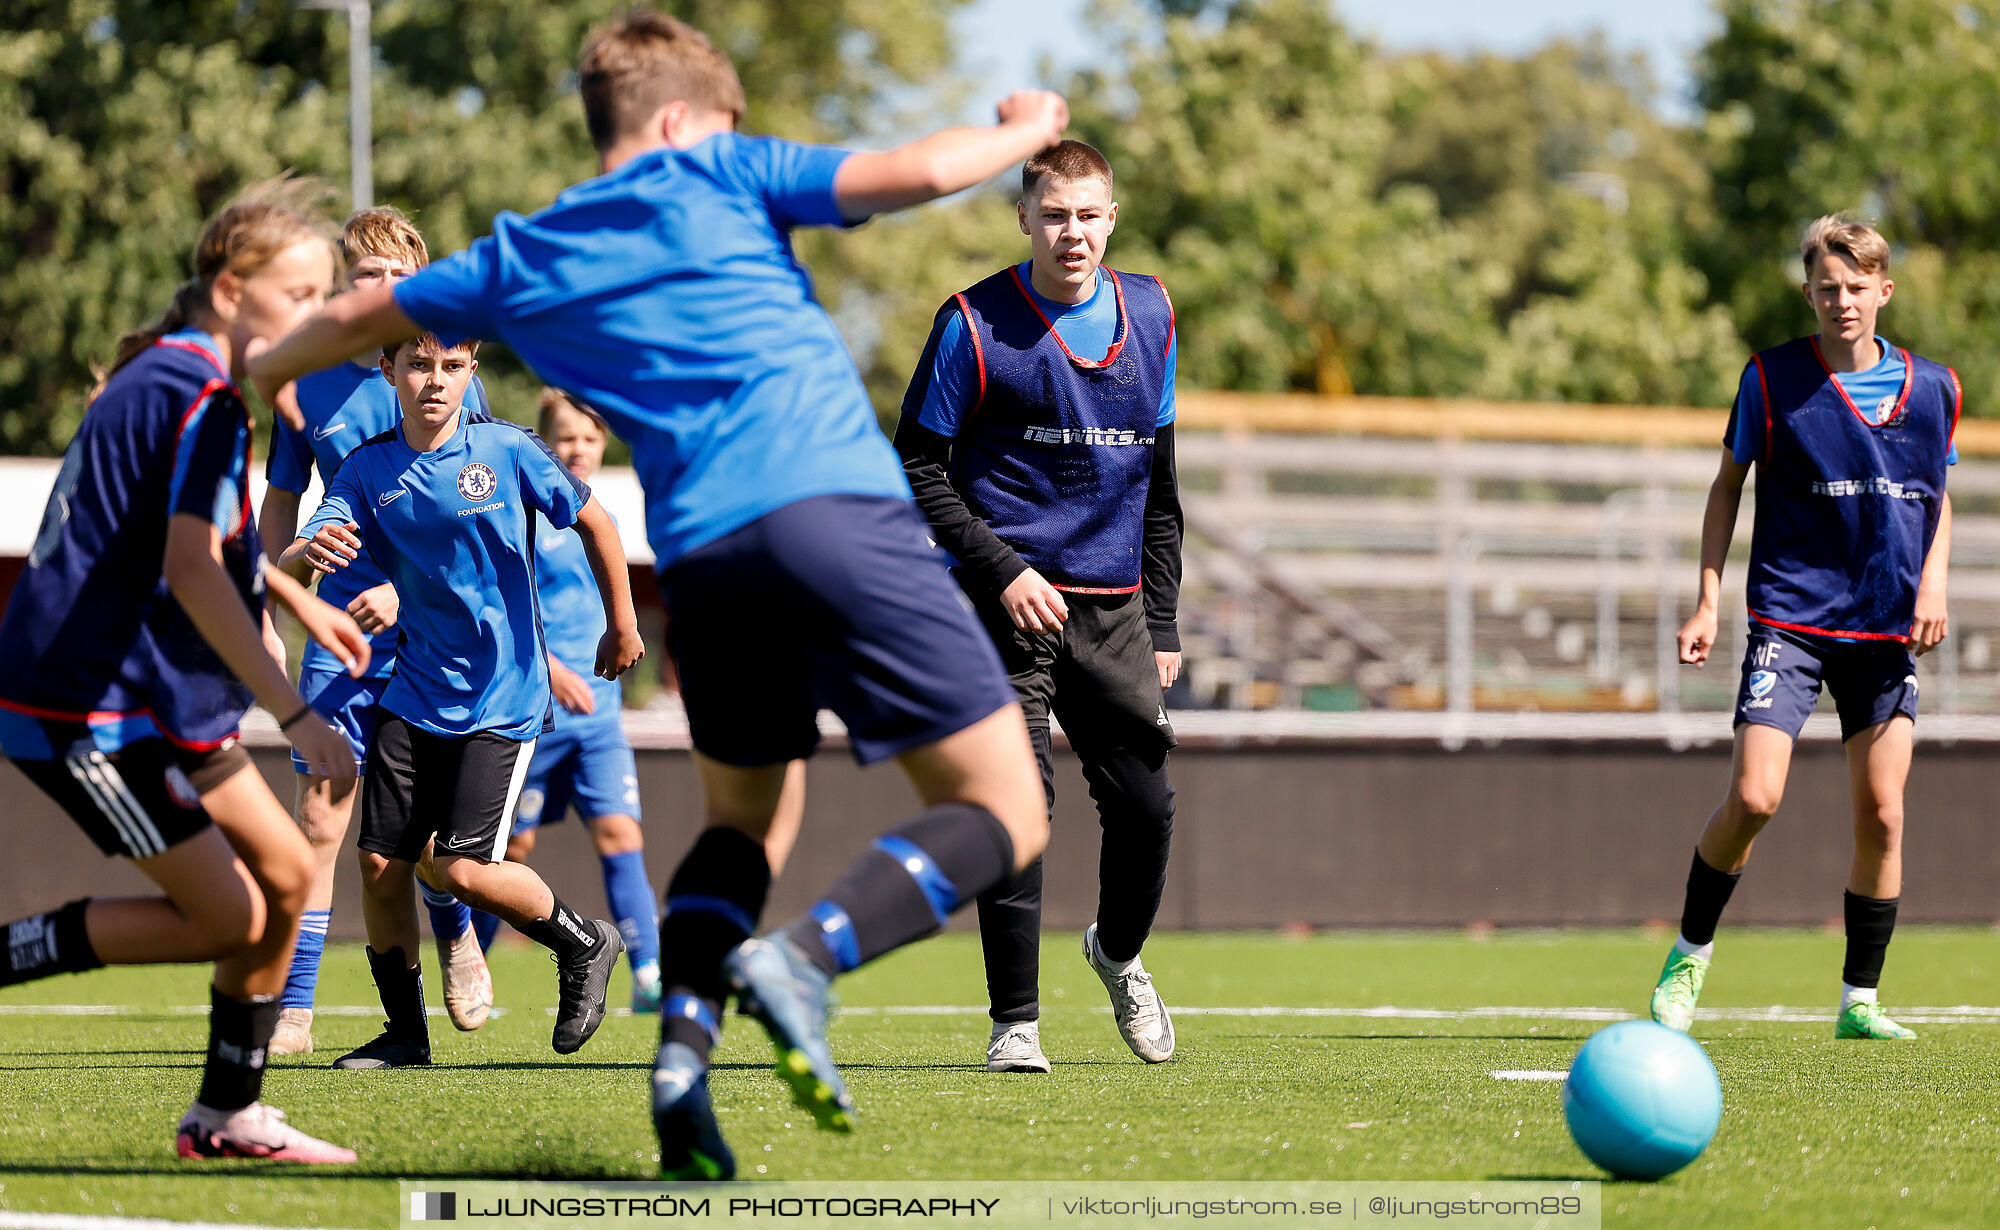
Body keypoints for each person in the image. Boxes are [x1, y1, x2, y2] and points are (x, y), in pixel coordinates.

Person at [250, 8, 1063, 1180]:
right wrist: (1025, 128)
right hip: (837, 514)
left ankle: (682, 1062)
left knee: (741, 826)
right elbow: (922, 170)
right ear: (683, 120)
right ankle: (808, 960)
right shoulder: (723, 170)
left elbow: (356, 318)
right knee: (1008, 809)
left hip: (708, 562)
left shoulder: (527, 247)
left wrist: (259, 370)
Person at [0, 178, 367, 1161]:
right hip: (85, 707)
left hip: (151, 694)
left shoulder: (171, 379)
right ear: (230, 285)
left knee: (289, 879)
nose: (317, 317)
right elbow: (191, 565)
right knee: (231, 915)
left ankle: (227, 1116)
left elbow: (200, 548)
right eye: (301, 295)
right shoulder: (200, 398)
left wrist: (296, 602)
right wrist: (293, 713)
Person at [893, 139, 1182, 1073]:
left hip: (1116, 613)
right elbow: (916, 467)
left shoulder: (1153, 312)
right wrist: (1004, 570)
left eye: (1090, 214)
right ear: (1024, 217)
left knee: (1147, 809)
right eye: (1055, 214)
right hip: (1000, 607)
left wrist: (1165, 621)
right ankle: (1015, 1023)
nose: (1073, 233)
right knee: (1016, 809)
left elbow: (1162, 483)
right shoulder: (972, 324)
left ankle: (1118, 954)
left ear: (1113, 217)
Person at [284, 334, 642, 1069]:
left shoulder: (509, 452)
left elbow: (598, 524)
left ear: (471, 371)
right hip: (413, 694)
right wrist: (302, 556)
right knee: (380, 866)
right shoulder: (367, 468)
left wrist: (623, 623)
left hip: (501, 698)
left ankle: (584, 942)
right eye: (418, 366)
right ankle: (405, 1035)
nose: (434, 382)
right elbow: (308, 542)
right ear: (389, 372)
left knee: (463, 869)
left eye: (451, 367)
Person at [1654, 215, 1956, 1041]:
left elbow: (1938, 493)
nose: (1842, 301)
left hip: (1885, 628)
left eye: (1858, 287)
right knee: (1755, 797)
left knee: (1884, 816)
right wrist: (1708, 597)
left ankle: (1860, 1000)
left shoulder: (1935, 389)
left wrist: (1933, 579)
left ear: (1883, 291)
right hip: (1791, 616)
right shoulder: (1770, 379)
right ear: (1808, 293)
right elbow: (1728, 486)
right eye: (1828, 287)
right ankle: (1688, 957)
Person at [260, 207, 496, 1056]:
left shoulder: (448, 365)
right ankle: (294, 1006)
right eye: (367, 275)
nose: (383, 290)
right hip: (339, 641)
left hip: (437, 637)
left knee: (424, 841)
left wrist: (413, 591)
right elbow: (279, 511)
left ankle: (458, 930)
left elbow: (484, 516)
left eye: (399, 275)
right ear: (344, 284)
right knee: (321, 821)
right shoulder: (306, 382)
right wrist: (279, 581)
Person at [468, 389, 663, 1014]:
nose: (577, 449)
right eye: (565, 437)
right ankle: (475, 969)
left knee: (619, 832)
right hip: (539, 716)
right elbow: (499, 602)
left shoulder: (614, 515)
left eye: (589, 437)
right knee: (508, 852)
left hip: (600, 721)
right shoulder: (524, 512)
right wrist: (552, 670)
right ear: (543, 441)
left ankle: (651, 976)